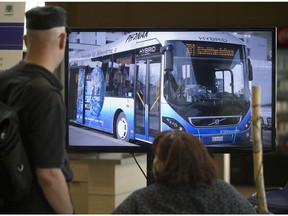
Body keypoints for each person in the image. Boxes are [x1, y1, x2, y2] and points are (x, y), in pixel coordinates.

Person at [0, 6, 74, 213]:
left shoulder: (3, 80)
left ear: (25, 41)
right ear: (62, 40)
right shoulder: (47, 96)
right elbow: (49, 174)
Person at [113, 129, 257, 214]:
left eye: (157, 156)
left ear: (163, 164)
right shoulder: (225, 193)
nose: (154, 161)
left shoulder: (142, 200)